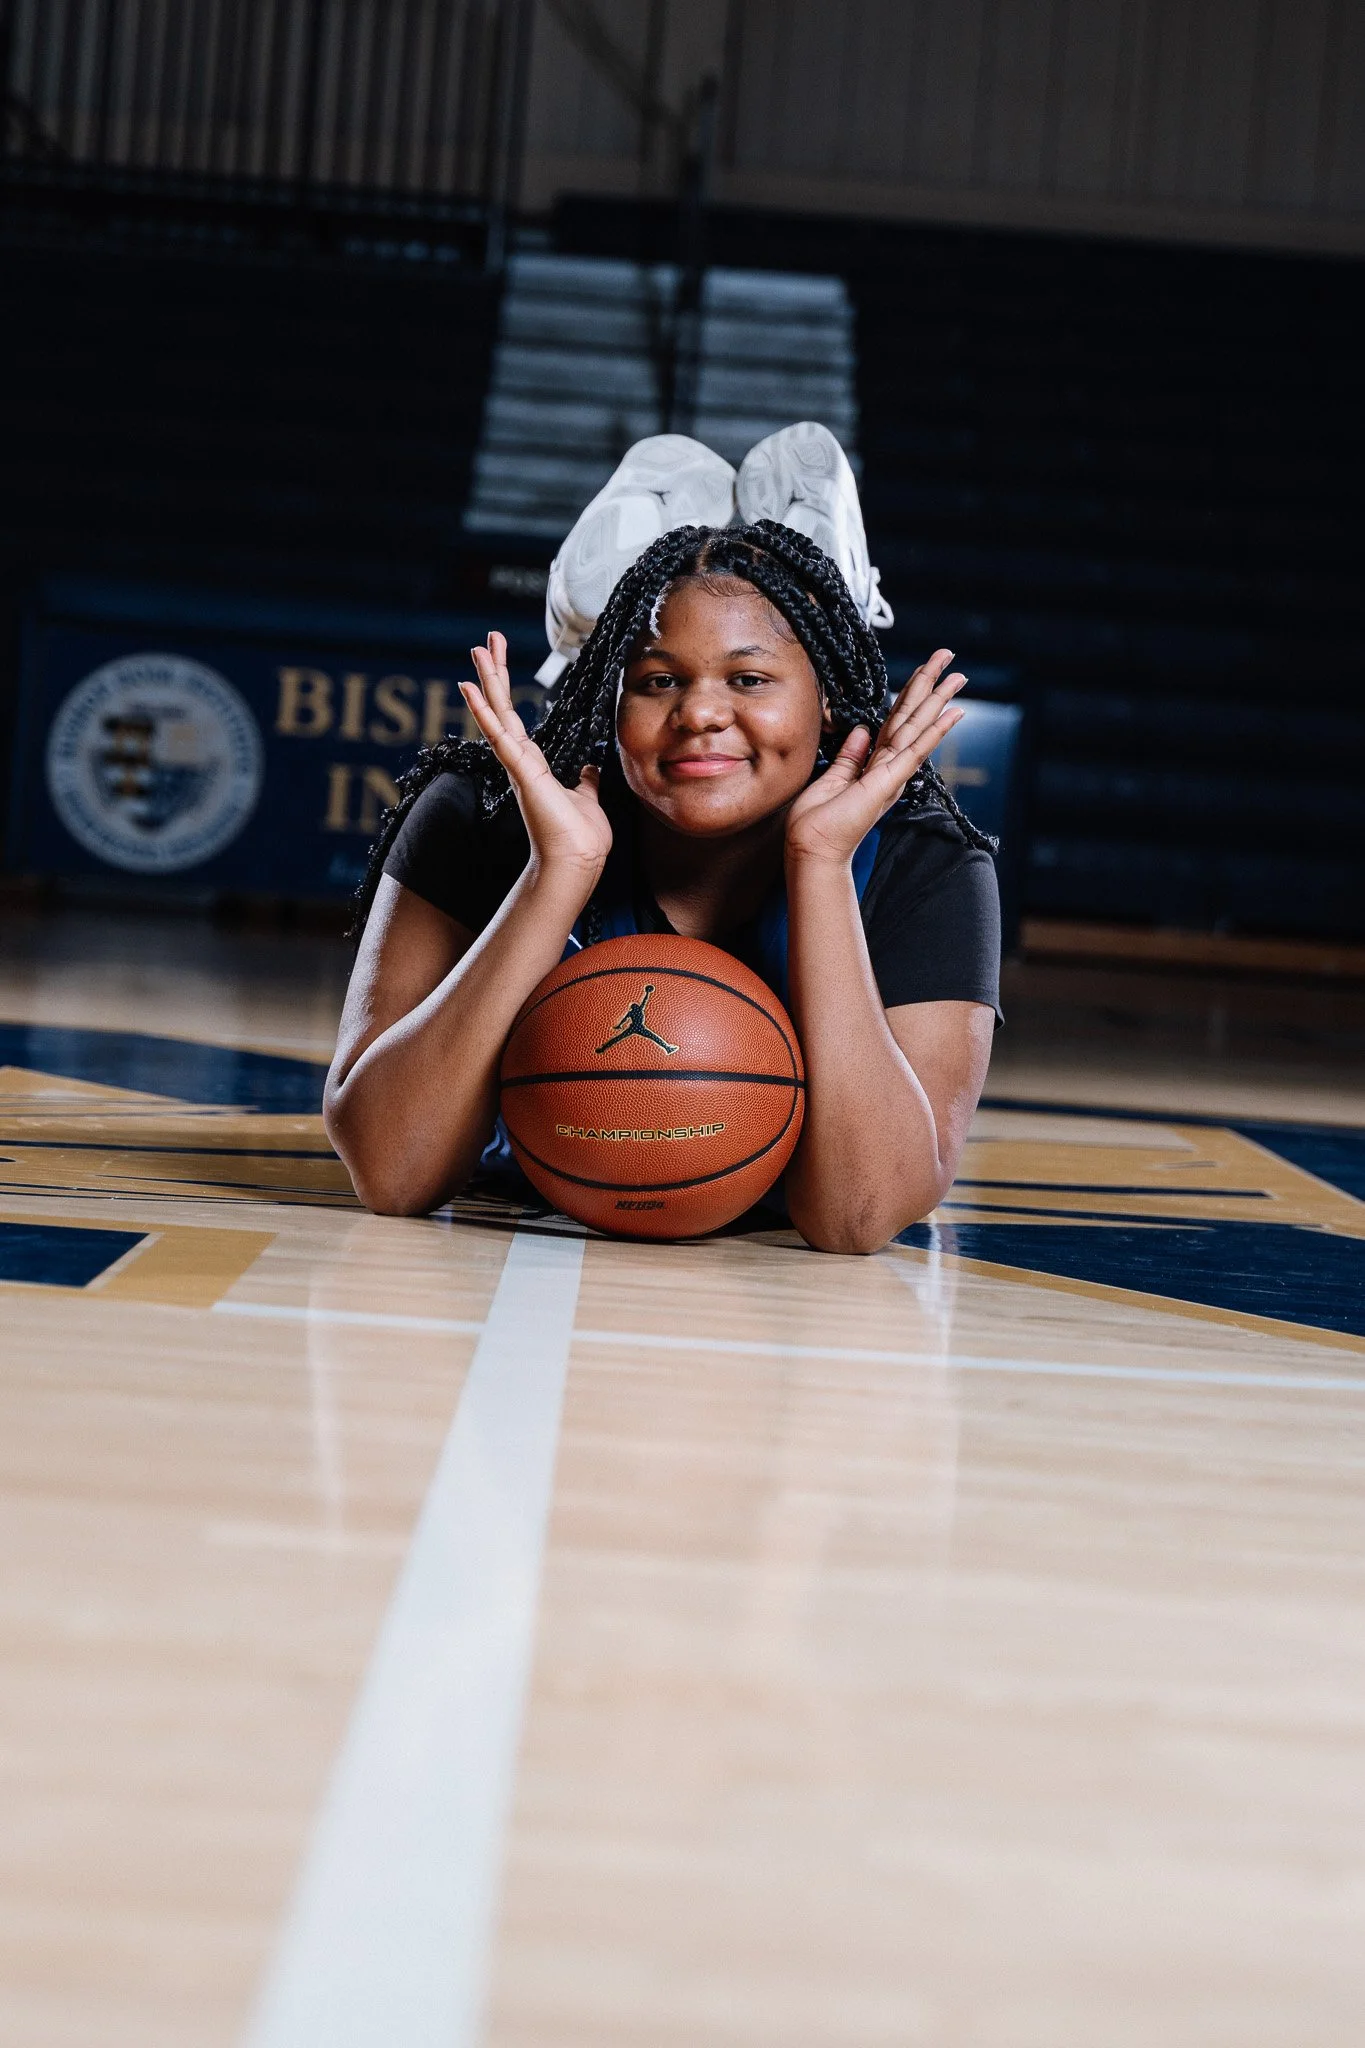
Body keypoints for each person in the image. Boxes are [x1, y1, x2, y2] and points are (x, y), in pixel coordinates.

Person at [325, 424, 1001, 1254]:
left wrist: (819, 865)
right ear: (601, 695)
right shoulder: (482, 815)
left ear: (827, 699)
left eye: (748, 679)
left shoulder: (921, 855)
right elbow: (392, 1174)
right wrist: (557, 874)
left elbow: (857, 1216)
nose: (700, 714)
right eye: (656, 680)